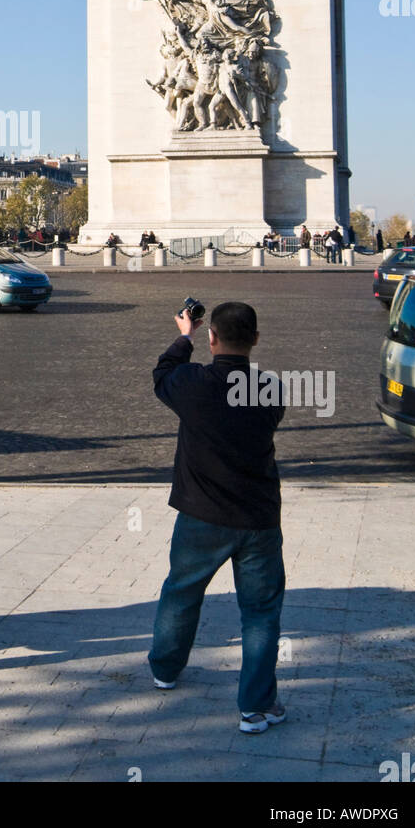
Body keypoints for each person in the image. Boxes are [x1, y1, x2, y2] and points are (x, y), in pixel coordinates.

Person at [148, 301, 286, 734]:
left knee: (181, 593)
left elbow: (162, 373)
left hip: (201, 513)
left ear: (212, 339)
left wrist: (184, 334)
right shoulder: (272, 389)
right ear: (257, 340)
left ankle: (166, 670)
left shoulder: (192, 383)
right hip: (257, 516)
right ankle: (255, 707)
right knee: (261, 613)